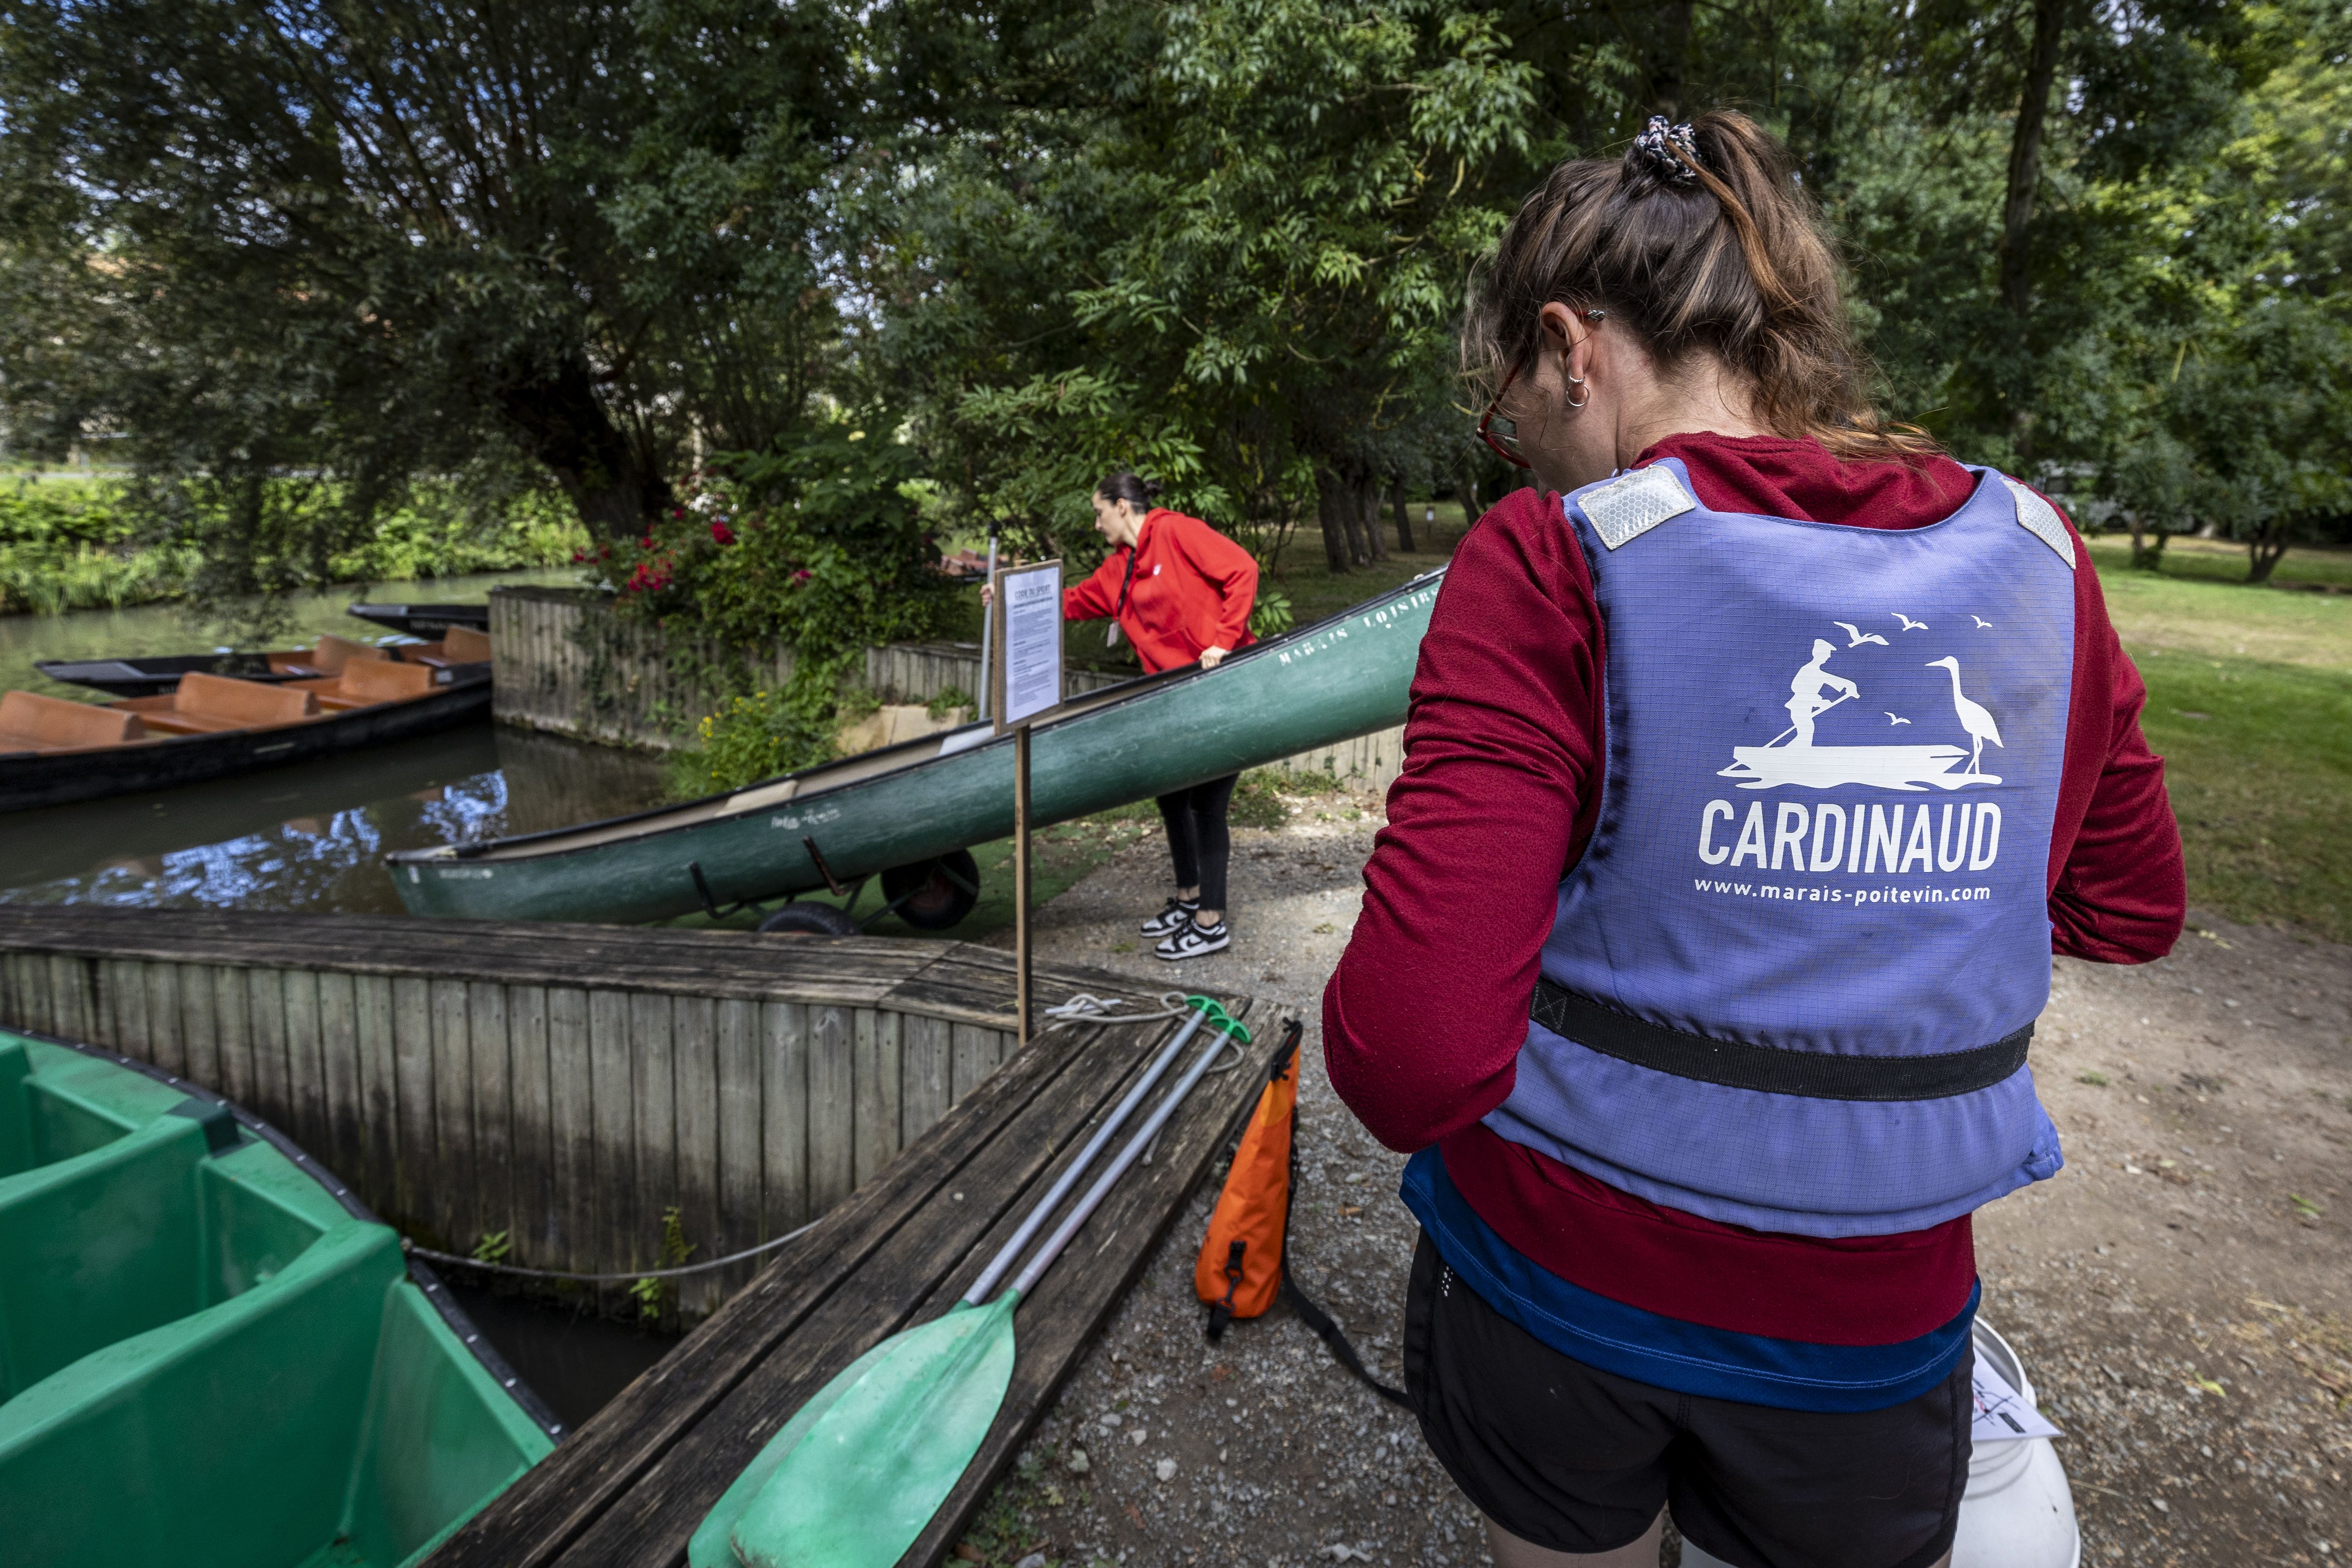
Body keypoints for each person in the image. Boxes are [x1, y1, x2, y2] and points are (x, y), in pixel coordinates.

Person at [1324, 113, 2183, 1568]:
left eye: (1508, 416)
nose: (1521, 458)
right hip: (1871, 1328)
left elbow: (1410, 1057)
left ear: (1569, 347)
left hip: (1558, 1295)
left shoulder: (1549, 558)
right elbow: (2128, 905)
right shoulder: (2036, 556)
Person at [1063, 473, 1259, 960]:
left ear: (1121, 507)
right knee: (1172, 796)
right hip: (1174, 702)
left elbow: (1242, 569)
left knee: (1207, 803)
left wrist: (1223, 640)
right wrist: (1005, 598)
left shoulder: (1175, 531)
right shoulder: (1118, 569)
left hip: (1221, 689)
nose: (1096, 523)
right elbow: (1072, 603)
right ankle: (1190, 897)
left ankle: (1210, 922)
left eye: (1099, 512)